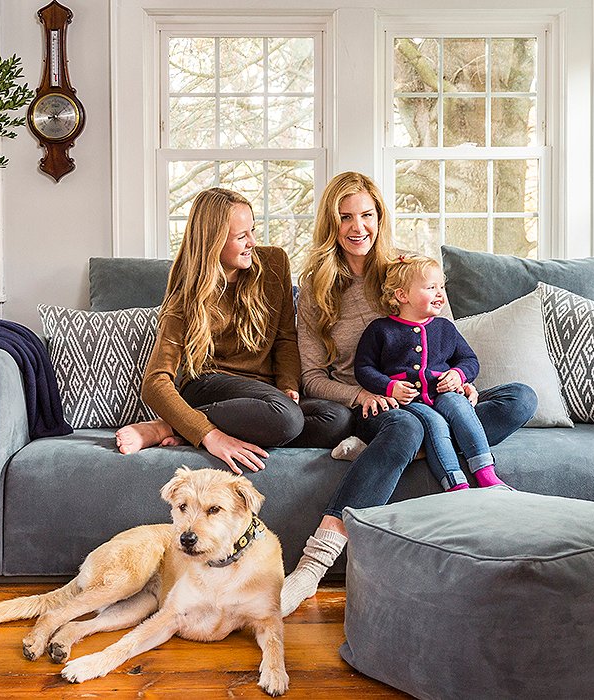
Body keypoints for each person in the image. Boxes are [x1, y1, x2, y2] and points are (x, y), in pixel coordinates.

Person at [281, 172, 536, 616]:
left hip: (436, 402)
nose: (357, 227)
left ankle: (411, 449)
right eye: (345, 217)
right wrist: (359, 395)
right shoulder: (316, 289)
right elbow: (313, 379)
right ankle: (311, 567)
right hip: (377, 404)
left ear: (380, 217)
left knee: (520, 398)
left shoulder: (410, 271)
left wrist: (463, 380)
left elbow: (445, 339)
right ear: (330, 223)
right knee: (403, 428)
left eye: (366, 215)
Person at [114, 187, 351, 472]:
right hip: (210, 387)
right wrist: (210, 436)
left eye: (253, 230)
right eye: (242, 236)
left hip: (263, 398)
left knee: (337, 419)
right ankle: (181, 424)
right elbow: (155, 383)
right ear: (213, 242)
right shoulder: (185, 298)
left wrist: (287, 384)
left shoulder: (274, 264)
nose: (252, 242)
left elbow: (285, 337)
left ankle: (175, 427)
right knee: (287, 419)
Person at [354, 254, 512, 492]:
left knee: (461, 408)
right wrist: (389, 387)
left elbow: (469, 360)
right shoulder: (380, 330)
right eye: (431, 287)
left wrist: (459, 375)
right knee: (435, 422)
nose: (440, 294)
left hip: (444, 394)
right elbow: (364, 368)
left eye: (441, 287)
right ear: (402, 295)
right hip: (409, 402)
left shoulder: (445, 328)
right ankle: (455, 484)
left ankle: (485, 472)